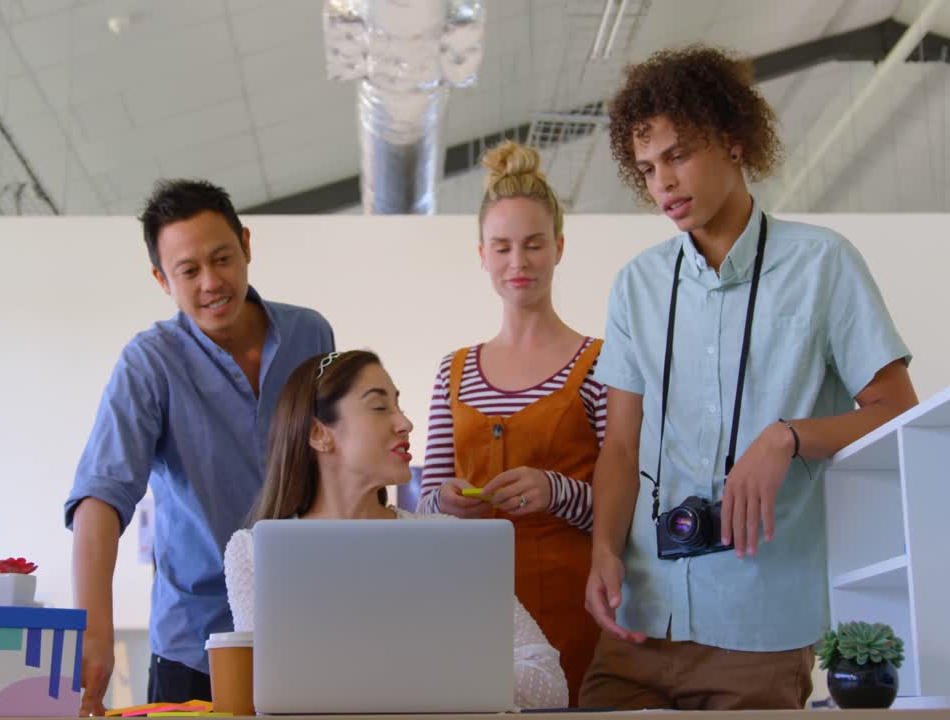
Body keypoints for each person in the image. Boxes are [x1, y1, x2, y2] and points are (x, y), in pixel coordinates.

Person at [581, 46, 920, 711]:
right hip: (638, 622)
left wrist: (786, 437)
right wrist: (602, 550)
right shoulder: (637, 286)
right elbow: (620, 447)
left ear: (734, 143)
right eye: (647, 169)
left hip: (760, 630)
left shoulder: (823, 264)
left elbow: (896, 411)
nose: (663, 185)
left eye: (678, 156)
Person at [64, 180, 334, 713]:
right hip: (195, 646)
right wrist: (94, 632)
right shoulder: (149, 363)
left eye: (223, 259)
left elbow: (339, 465)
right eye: (189, 270)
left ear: (247, 245)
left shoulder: (312, 336)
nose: (212, 283)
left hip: (307, 630)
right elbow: (101, 497)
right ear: (162, 279)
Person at [223, 350, 569, 710]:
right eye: (379, 407)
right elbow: (260, 693)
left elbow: (548, 680)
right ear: (318, 433)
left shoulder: (449, 541)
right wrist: (446, 677)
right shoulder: (251, 552)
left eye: (398, 406)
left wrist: (417, 680)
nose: (405, 422)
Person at [415, 141, 605, 704]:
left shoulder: (600, 365)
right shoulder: (453, 372)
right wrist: (444, 503)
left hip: (578, 615)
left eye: (533, 245)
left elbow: (627, 513)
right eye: (501, 248)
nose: (517, 263)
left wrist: (557, 491)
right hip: (474, 616)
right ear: (481, 255)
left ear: (559, 248)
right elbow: (425, 505)